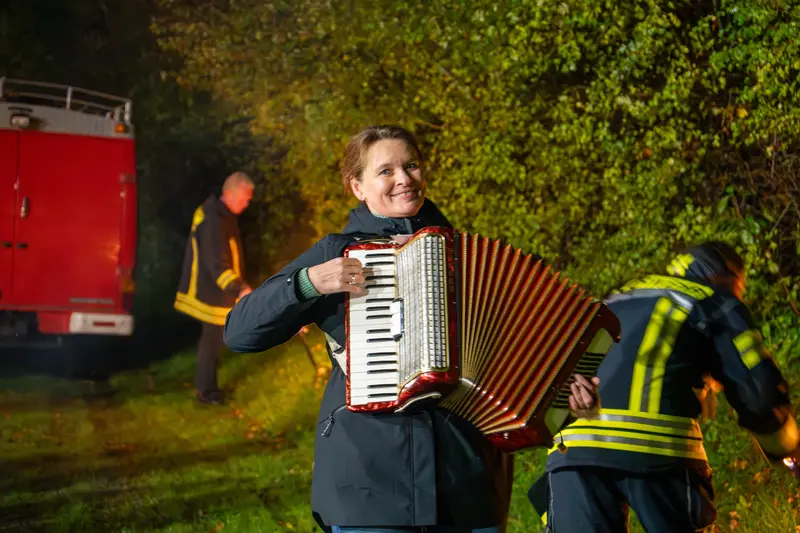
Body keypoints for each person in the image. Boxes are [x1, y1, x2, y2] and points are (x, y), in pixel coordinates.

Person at [223, 125, 601, 533]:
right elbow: (240, 332)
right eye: (385, 171)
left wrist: (564, 398)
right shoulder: (337, 253)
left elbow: (517, 355)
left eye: (412, 165)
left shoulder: (470, 256)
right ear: (358, 187)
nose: (404, 178)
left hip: (467, 486)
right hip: (371, 486)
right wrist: (307, 282)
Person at [528, 241, 799, 533]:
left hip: (572, 452)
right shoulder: (712, 298)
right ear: (724, 275)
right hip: (657, 449)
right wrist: (788, 448)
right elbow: (758, 393)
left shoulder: (619, 296)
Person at [174, 171, 254, 405]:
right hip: (210, 292)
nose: (246, 203)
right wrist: (238, 289)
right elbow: (216, 262)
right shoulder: (214, 219)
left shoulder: (221, 215)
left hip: (216, 291)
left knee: (212, 341)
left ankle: (207, 389)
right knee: (211, 341)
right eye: (244, 198)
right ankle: (206, 392)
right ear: (229, 193)